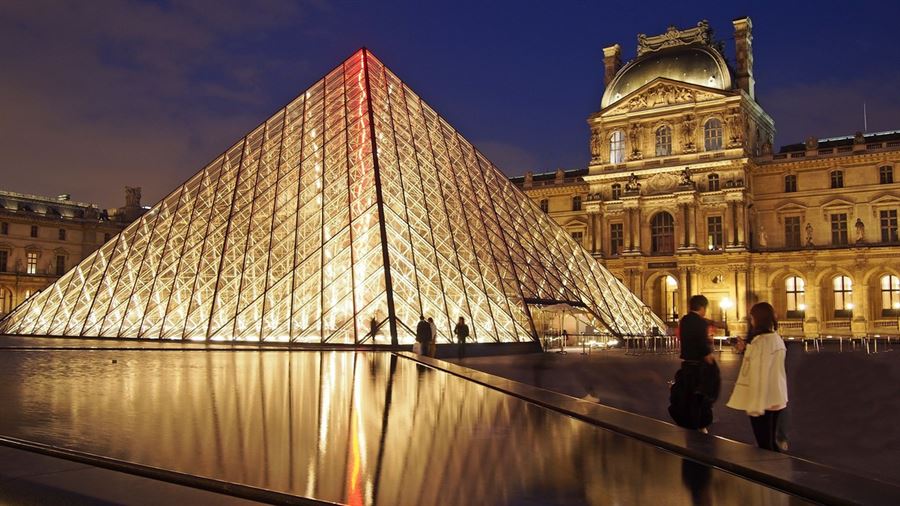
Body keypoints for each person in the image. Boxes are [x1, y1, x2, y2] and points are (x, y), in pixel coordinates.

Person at [727, 302, 788, 451]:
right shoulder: (775, 338)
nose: (751, 321)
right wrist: (746, 349)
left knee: (764, 444)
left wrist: (755, 405)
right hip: (777, 396)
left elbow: (759, 374)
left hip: (764, 399)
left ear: (758, 319)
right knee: (771, 442)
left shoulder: (760, 342)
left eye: (752, 318)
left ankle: (771, 472)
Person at [668, 295, 721, 433]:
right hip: (699, 366)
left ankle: (689, 421)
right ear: (703, 307)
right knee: (701, 395)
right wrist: (709, 357)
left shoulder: (684, 320)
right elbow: (701, 342)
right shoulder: (701, 322)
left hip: (686, 364)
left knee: (688, 396)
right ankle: (700, 423)